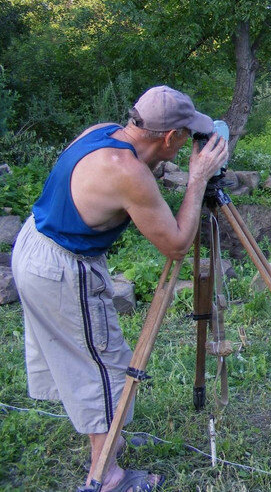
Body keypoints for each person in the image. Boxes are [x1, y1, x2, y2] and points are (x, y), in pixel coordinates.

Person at [11, 86, 229, 492]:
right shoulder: (127, 172)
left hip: (36, 242)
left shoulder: (104, 132)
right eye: (187, 136)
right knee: (104, 366)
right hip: (63, 266)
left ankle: (109, 441)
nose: (190, 144)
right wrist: (197, 179)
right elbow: (178, 244)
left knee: (82, 355)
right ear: (169, 138)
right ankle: (106, 475)